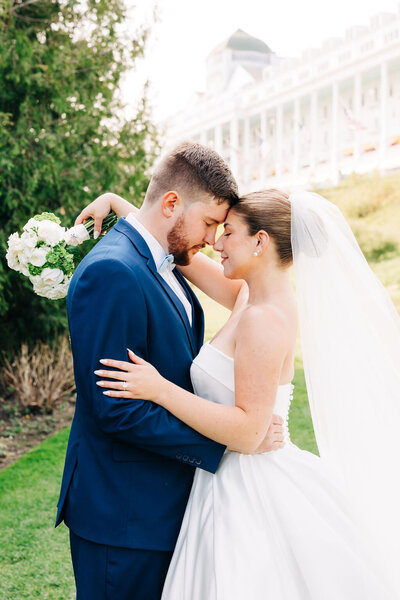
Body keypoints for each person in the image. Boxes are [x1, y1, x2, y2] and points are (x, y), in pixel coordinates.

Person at [94, 188, 400, 598]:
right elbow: (179, 253)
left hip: (248, 491)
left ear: (260, 241)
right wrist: (117, 204)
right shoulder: (247, 296)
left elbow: (249, 433)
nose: (217, 242)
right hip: (222, 477)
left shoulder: (263, 319)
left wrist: (159, 389)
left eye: (229, 232)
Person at [56, 142, 284, 600]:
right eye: (209, 224)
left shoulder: (164, 260)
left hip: (163, 507)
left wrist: (122, 205)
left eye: (223, 229)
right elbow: (116, 409)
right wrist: (231, 446)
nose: (213, 239)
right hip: (122, 515)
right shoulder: (112, 272)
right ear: (172, 204)